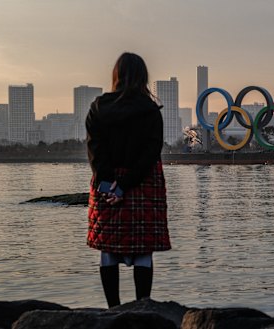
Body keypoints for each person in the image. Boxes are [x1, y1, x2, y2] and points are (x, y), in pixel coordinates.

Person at [86, 52, 171, 308]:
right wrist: (125, 184)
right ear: (143, 77)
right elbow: (151, 152)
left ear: (116, 75)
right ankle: (143, 307)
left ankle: (112, 309)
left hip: (107, 184)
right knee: (143, 250)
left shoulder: (99, 107)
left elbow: (94, 149)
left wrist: (107, 182)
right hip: (142, 183)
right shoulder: (150, 111)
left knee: (107, 249)